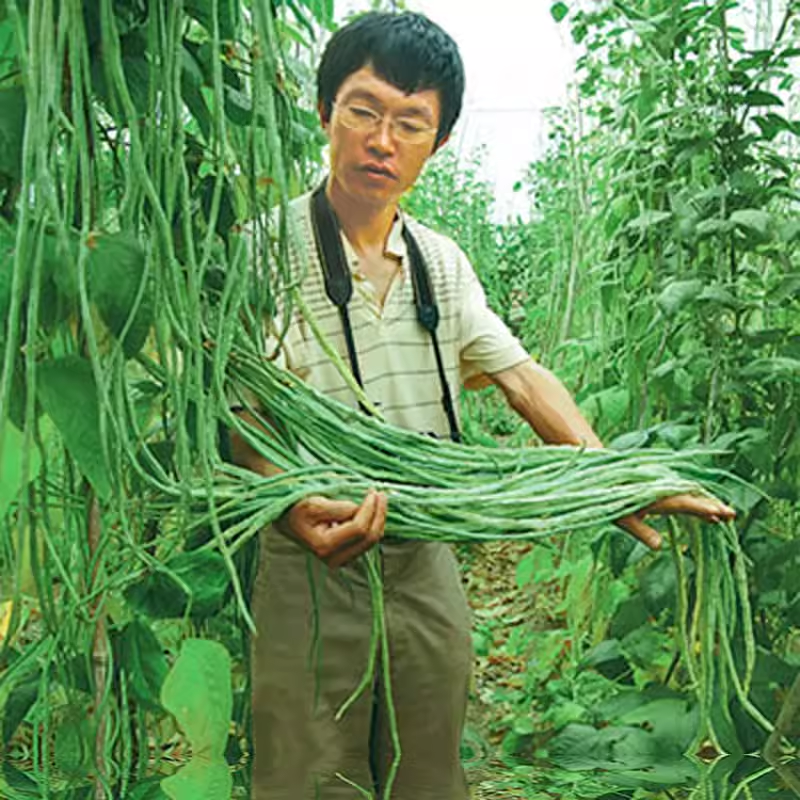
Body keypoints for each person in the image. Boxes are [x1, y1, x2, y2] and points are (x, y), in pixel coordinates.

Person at [231, 11, 735, 799]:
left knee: (430, 774)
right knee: (306, 776)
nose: (382, 140)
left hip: (425, 555)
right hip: (310, 564)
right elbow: (243, 412)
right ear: (325, 110)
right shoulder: (259, 250)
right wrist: (289, 501)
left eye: (411, 122)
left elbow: (521, 377)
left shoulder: (442, 261)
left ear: (439, 140)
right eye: (363, 110)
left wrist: (610, 479)